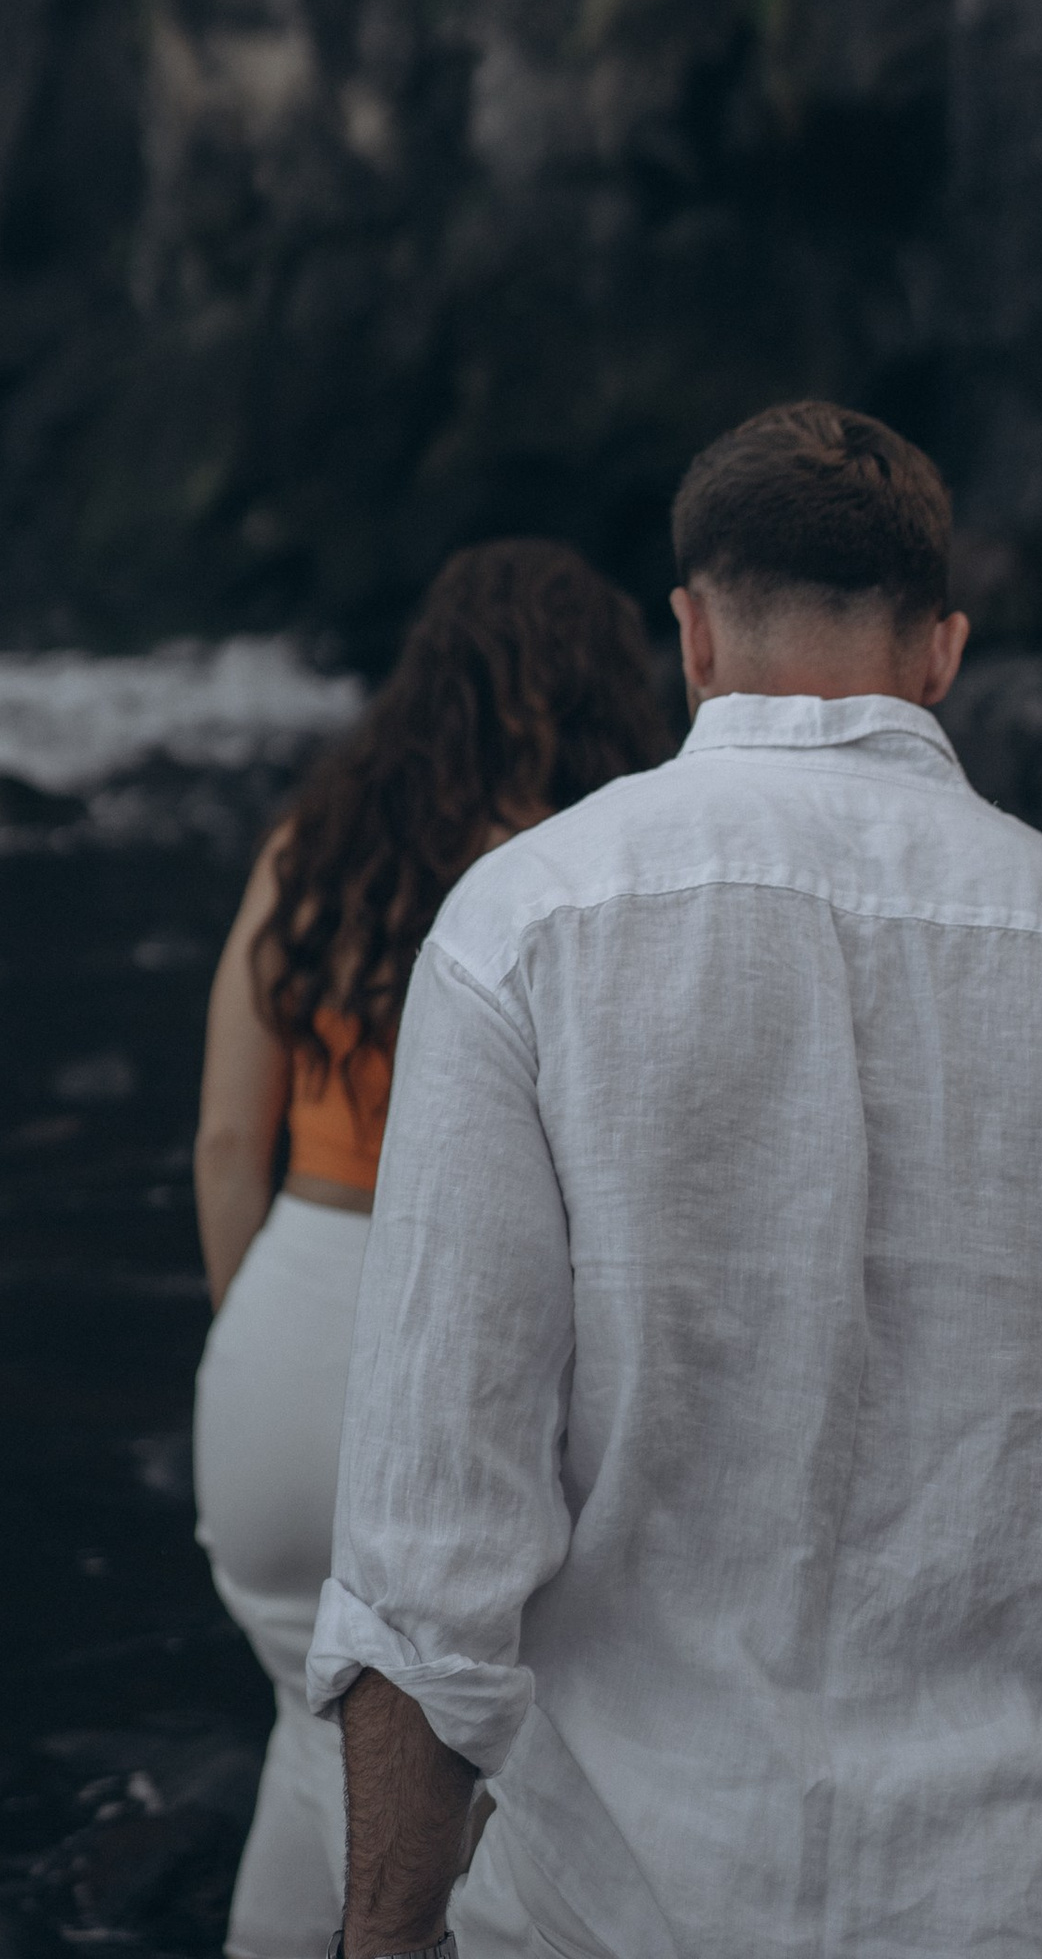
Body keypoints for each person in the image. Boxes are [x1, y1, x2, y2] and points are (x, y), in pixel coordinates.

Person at [311, 400, 1042, 1959]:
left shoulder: (525, 928)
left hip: (634, 1910)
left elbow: (426, 1557)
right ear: (942, 654)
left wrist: (382, 1936)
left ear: (694, 634)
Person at [192, 539, 675, 1959]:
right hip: (460, 1345)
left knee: (314, 1732)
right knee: (478, 1803)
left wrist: (248, 1344)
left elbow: (230, 1142)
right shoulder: (585, 875)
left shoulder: (318, 842)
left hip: (277, 1342)